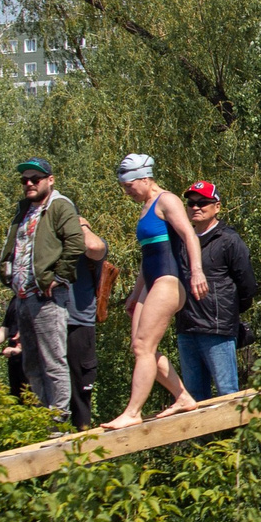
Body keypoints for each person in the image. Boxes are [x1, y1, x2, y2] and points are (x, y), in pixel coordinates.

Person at [105, 154, 208, 430]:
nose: (127, 192)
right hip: (151, 283)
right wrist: (135, 293)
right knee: (139, 347)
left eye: (129, 186)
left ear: (145, 178)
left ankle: (133, 411)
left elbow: (188, 234)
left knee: (144, 347)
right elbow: (148, 256)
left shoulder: (167, 200)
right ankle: (183, 396)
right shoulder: (146, 206)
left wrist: (197, 271)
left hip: (169, 282)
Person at [0, 161, 85, 423]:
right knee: (31, 363)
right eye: (25, 179)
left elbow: (76, 243)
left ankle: (58, 419)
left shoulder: (59, 206)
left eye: (35, 178)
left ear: (50, 179)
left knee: (53, 360)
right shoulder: (23, 210)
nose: (29, 183)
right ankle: (43, 418)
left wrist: (58, 277)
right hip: (23, 297)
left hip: (47, 297)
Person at [176, 182, 257, 405]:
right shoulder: (181, 241)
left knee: (227, 393)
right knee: (193, 398)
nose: (196, 207)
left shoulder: (229, 240)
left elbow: (248, 286)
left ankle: (235, 439)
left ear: (217, 206)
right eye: (191, 203)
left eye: (203, 202)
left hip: (217, 328)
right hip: (187, 327)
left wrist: (227, 312)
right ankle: (203, 441)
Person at [63, 220, 109, 429]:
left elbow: (94, 247)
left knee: (80, 395)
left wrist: (81, 226)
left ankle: (83, 449)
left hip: (79, 323)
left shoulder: (89, 244)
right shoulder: (52, 247)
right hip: (51, 323)